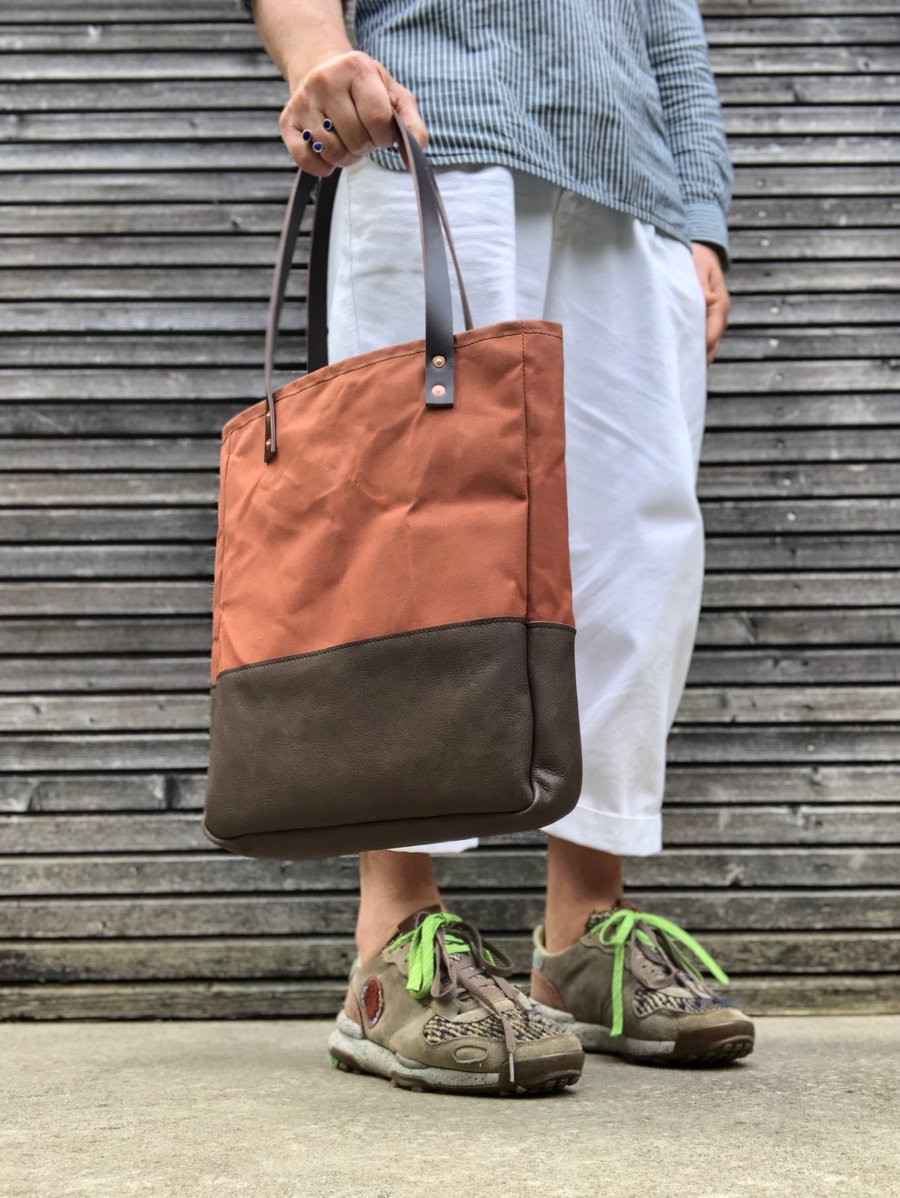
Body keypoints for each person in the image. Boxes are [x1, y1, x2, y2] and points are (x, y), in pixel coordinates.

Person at [247, 0, 755, 1094]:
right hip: (432, 134)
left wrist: (702, 211)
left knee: (638, 541)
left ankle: (583, 937)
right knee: (420, 527)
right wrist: (317, 55)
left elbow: (669, 19)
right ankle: (393, 944)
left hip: (635, 183)